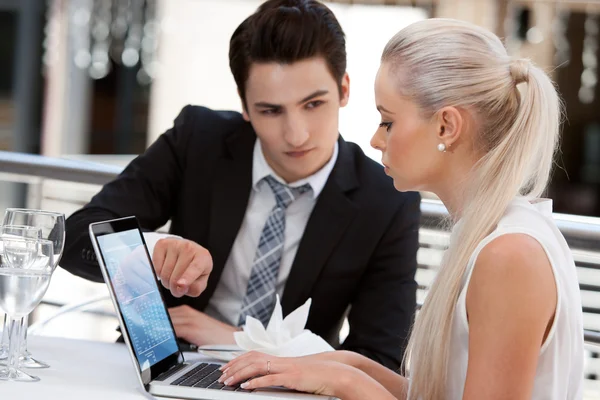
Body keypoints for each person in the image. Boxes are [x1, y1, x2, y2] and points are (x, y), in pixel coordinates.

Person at [216, 18, 585, 400]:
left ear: (447, 126)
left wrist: (346, 382)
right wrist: (348, 364)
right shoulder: (491, 235)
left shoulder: (508, 256)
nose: (376, 140)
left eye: (387, 121)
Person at [60, 0, 421, 370]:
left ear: (344, 89)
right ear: (245, 107)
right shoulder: (198, 140)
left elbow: (379, 361)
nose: (296, 135)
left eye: (313, 104)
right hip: (166, 368)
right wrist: (151, 249)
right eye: (270, 110)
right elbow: (73, 238)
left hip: (293, 390)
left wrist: (234, 340)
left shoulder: (387, 199)